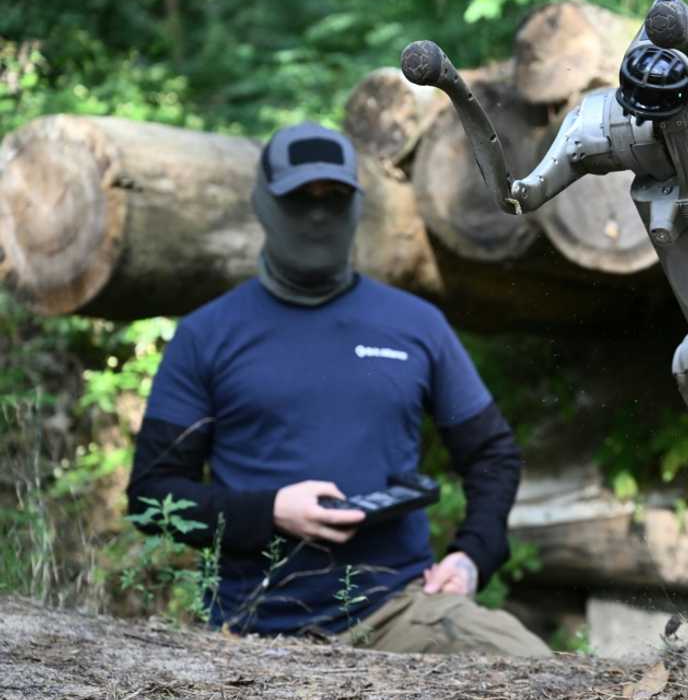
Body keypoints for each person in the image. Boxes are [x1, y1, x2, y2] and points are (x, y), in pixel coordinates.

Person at [126, 122, 550, 657]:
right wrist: (270, 512)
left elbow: (492, 453)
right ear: (263, 204)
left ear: (357, 206)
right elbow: (150, 498)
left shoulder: (414, 324)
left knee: (531, 666)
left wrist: (472, 556)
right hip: (251, 626)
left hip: (397, 610)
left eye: (334, 197)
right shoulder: (207, 335)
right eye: (299, 198)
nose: (318, 214)